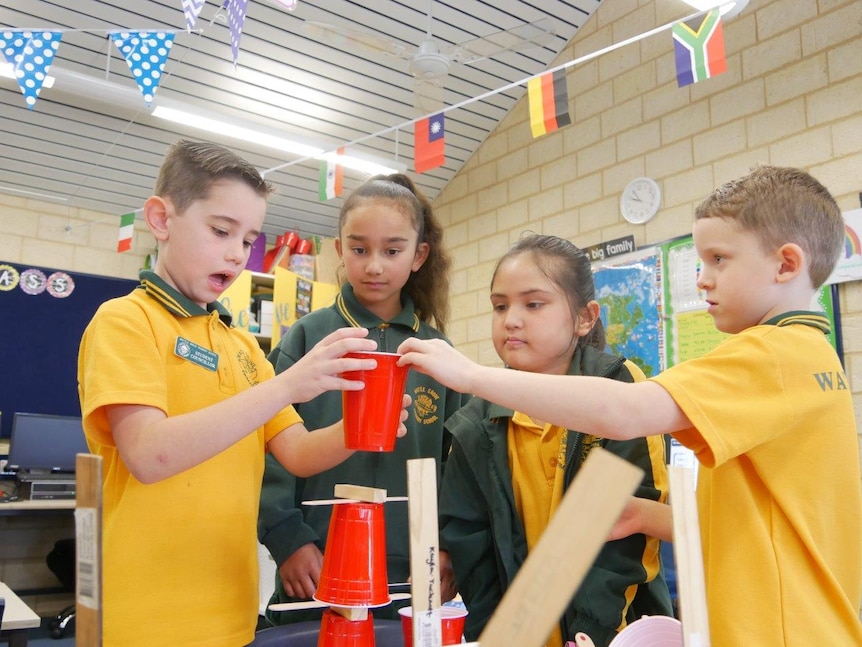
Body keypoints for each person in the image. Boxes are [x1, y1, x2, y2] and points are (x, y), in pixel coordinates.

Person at [398, 165, 862, 646]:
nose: (702, 280)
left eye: (719, 259)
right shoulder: (808, 357)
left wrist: (471, 375)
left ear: (786, 264)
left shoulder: (771, 356)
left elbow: (623, 413)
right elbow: (747, 526)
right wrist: (643, 516)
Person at [77, 140, 408, 647]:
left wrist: (363, 426)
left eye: (249, 238)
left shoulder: (241, 346)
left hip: (232, 614)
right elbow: (148, 453)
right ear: (161, 219)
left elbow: (296, 453)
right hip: (145, 619)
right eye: (220, 230)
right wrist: (289, 385)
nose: (236, 253)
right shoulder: (125, 321)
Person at [435, 234, 672, 647]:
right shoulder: (473, 423)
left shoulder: (617, 390)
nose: (511, 319)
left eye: (533, 304)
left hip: (611, 633)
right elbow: (471, 546)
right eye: (500, 306)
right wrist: (497, 637)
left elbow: (626, 545)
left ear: (584, 318)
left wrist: (589, 634)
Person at [258, 173, 467, 625]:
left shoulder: (438, 354)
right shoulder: (308, 337)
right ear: (339, 250)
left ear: (419, 255)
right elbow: (267, 441)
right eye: (359, 249)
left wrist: (448, 543)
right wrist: (287, 537)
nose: (374, 266)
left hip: (414, 574)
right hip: (314, 569)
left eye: (392, 251)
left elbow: (461, 467)